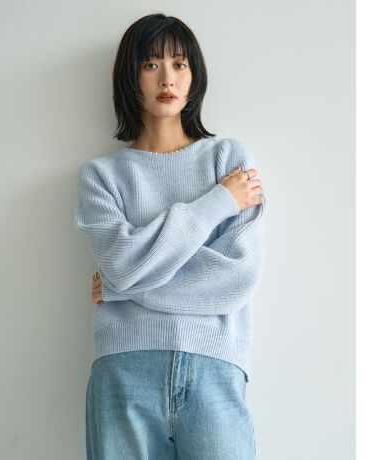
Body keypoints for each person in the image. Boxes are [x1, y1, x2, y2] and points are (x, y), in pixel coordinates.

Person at [75, 12, 268, 460]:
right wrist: (217, 203)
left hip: (214, 368)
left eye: (179, 64)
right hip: (124, 370)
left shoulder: (229, 160)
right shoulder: (101, 177)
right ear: (131, 77)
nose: (167, 78)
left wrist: (122, 289)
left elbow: (236, 278)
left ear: (194, 75)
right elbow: (121, 265)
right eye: (151, 64)